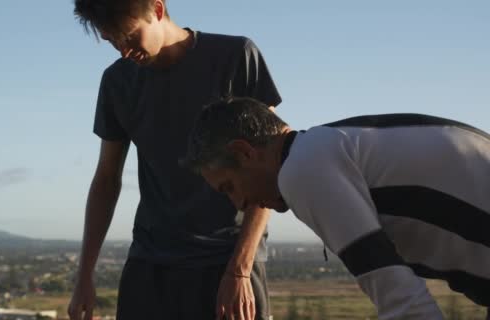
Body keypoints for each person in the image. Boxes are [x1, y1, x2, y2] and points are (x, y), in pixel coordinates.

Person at [182, 97, 490, 319]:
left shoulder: (302, 170)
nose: (239, 204)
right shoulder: (328, 146)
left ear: (245, 153)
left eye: (230, 187)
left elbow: (405, 305)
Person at [68, 1, 282, 319]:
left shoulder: (236, 57)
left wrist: (239, 270)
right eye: (112, 41)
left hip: (229, 259)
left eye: (128, 36)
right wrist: (84, 275)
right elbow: (106, 177)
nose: (123, 51)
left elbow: (270, 163)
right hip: (151, 265)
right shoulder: (117, 82)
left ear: (156, 9)